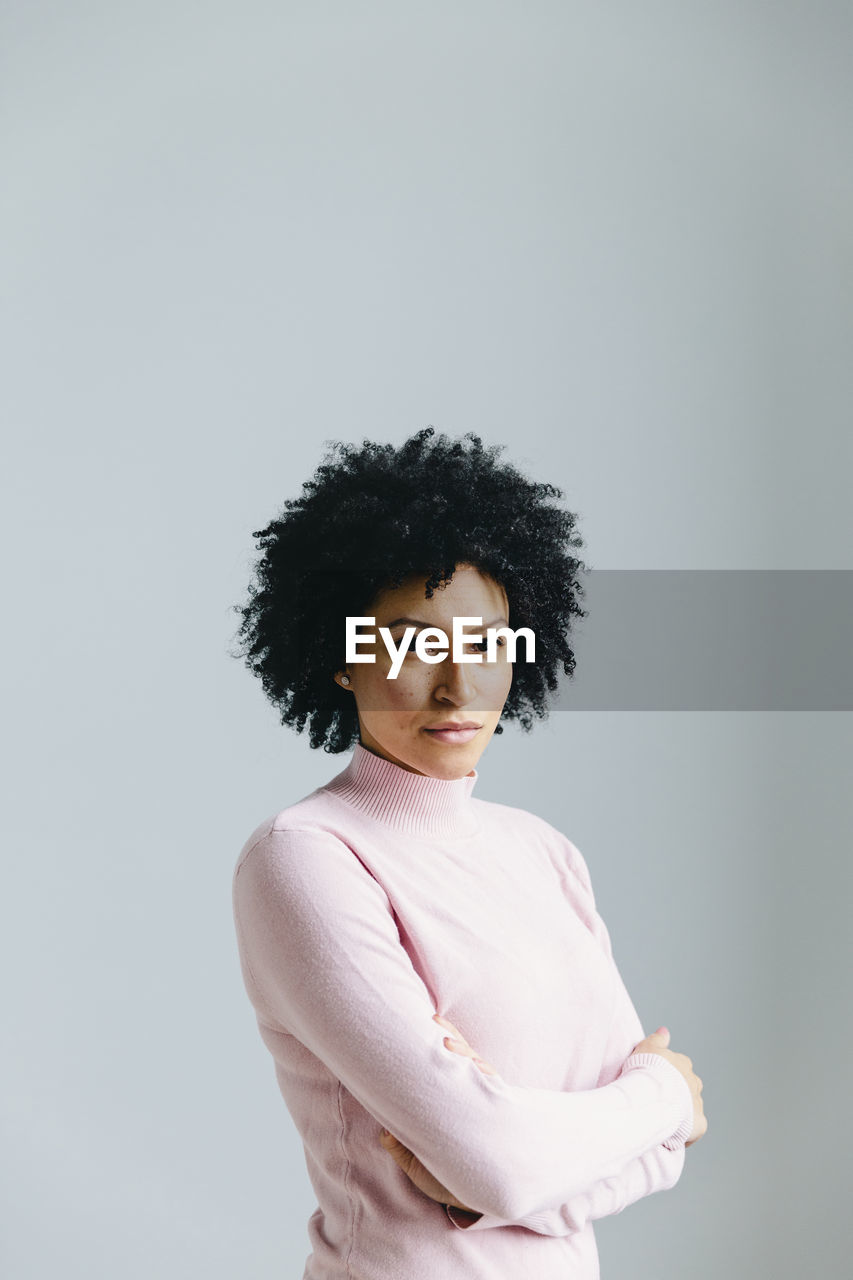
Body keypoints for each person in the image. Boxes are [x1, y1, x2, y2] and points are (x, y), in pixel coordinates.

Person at [228, 426, 707, 1279]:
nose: (457, 685)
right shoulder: (307, 858)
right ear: (343, 657)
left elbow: (651, 1155)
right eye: (412, 644)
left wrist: (505, 1186)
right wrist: (665, 1093)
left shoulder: (543, 852)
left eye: (487, 644)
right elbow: (525, 1153)